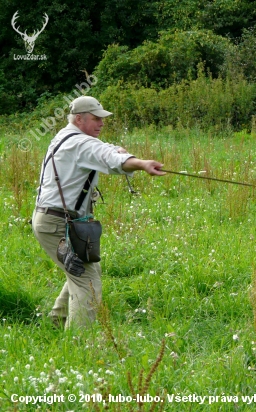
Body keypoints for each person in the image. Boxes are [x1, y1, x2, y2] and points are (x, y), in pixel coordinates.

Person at [32, 95, 165, 330]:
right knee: (87, 281)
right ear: (79, 119)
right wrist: (142, 163)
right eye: (96, 119)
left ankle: (56, 323)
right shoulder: (80, 143)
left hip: (55, 220)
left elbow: (103, 150)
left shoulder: (66, 136)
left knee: (82, 269)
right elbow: (106, 156)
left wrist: (120, 151)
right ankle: (77, 346)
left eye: (102, 119)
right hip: (57, 225)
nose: (102, 124)